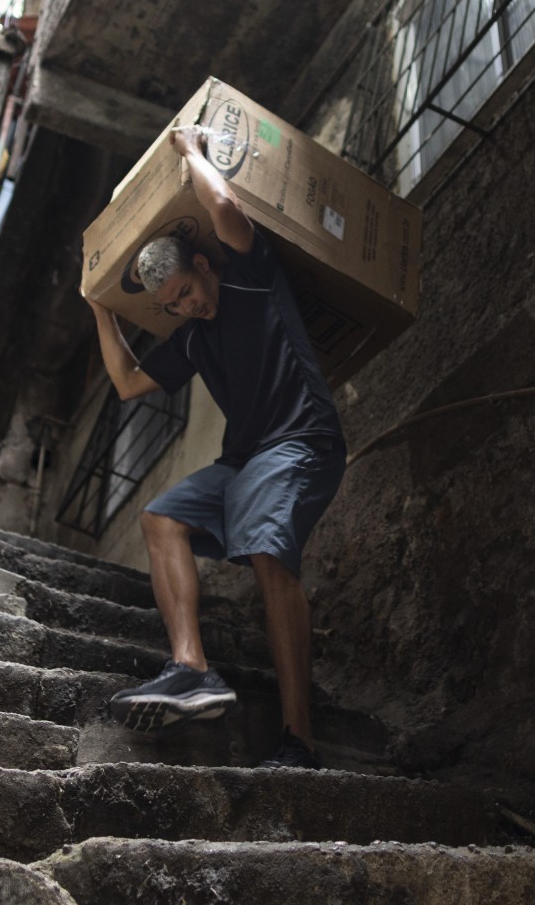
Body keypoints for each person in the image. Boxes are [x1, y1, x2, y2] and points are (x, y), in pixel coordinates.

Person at [83, 125, 346, 770]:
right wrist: (100, 307)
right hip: (245, 460)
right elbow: (127, 383)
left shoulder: (253, 275)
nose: (187, 307)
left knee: (268, 555)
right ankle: (191, 669)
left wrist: (191, 152)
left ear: (202, 266)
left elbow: (223, 207)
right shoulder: (193, 339)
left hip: (301, 437)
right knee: (160, 518)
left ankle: (299, 740)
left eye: (187, 291)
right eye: (172, 306)